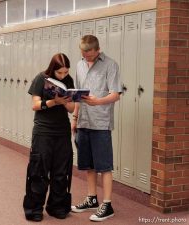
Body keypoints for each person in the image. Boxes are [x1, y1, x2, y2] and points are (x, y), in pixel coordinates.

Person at [71, 35, 122, 222]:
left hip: (101, 123)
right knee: (88, 165)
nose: (86, 58)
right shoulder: (79, 65)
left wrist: (97, 102)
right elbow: (78, 94)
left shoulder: (111, 65)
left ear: (97, 50)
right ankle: (92, 199)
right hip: (83, 121)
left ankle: (107, 205)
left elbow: (116, 94)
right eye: (83, 55)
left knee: (104, 166)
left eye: (89, 55)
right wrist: (74, 117)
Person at [23, 53, 75, 222]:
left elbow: (72, 109)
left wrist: (65, 101)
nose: (63, 76)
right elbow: (35, 105)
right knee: (39, 171)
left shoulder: (68, 81)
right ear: (53, 69)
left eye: (66, 72)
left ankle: (57, 206)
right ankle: (34, 208)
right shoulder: (41, 78)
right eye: (60, 73)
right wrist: (53, 102)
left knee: (61, 172)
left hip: (62, 132)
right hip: (43, 131)